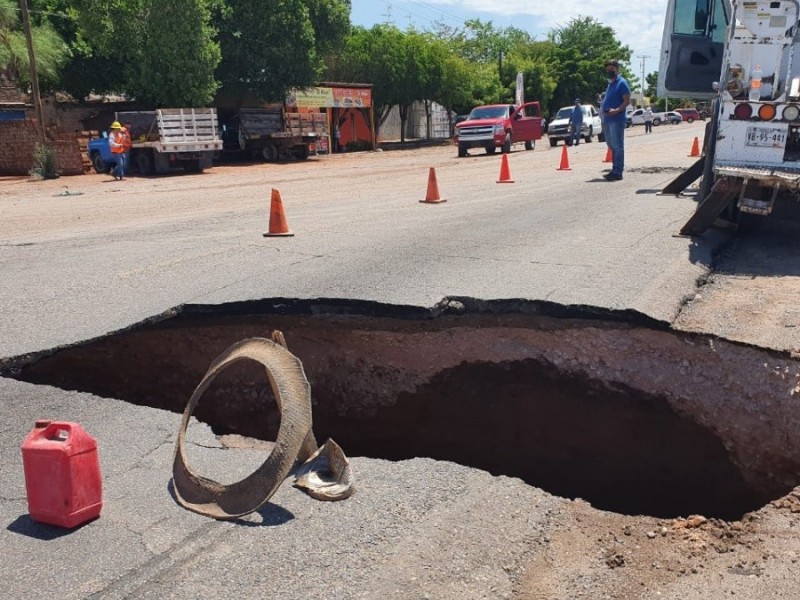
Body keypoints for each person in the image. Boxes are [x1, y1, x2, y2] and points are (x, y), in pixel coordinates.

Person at [600, 59, 631, 181]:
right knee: (611, 144)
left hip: (617, 119)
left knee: (618, 146)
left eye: (612, 69)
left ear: (617, 70)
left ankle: (618, 171)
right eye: (607, 70)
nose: (609, 71)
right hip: (607, 119)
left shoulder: (622, 83)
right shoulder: (610, 84)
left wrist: (616, 110)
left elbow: (627, 101)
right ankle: (615, 168)